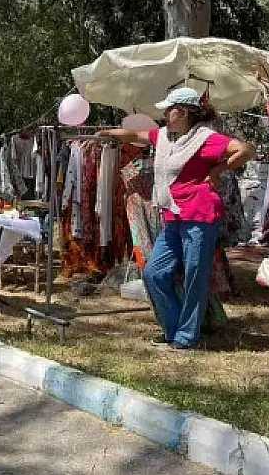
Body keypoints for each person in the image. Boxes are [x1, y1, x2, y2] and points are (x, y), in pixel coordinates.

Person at [98, 87, 255, 350]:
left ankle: (187, 336)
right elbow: (136, 135)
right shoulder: (164, 137)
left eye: (169, 109)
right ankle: (173, 327)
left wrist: (218, 169)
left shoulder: (206, 139)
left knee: (195, 275)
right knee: (154, 273)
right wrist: (108, 133)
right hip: (174, 215)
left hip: (201, 215)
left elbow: (246, 149)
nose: (164, 113)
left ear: (181, 112)